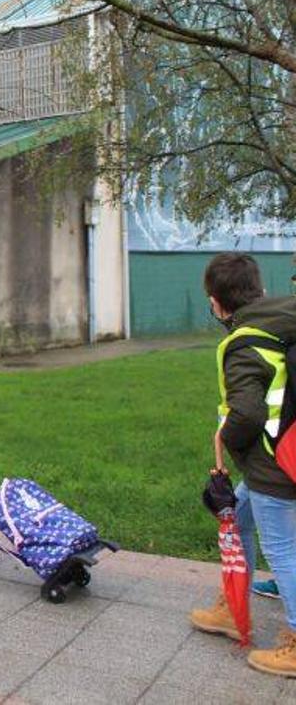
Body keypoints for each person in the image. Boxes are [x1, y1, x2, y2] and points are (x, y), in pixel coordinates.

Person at [190, 252, 296, 677]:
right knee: (238, 520)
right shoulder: (285, 315)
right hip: (279, 458)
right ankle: (232, 609)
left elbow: (248, 413)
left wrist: (223, 444)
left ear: (216, 302)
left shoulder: (245, 342)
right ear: (259, 289)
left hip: (274, 465)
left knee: (283, 550)